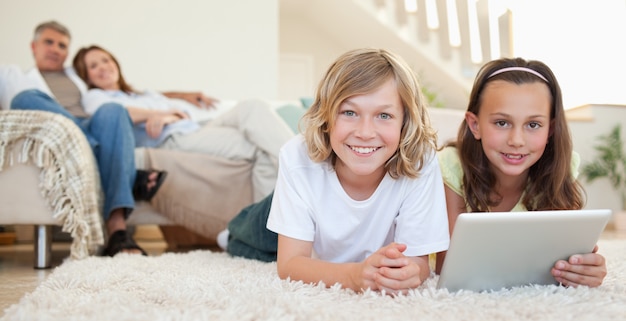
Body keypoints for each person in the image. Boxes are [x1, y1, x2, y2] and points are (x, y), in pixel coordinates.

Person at [229, 48, 450, 295]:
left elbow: (418, 263)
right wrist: (353, 276)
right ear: (326, 116)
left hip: (321, 229)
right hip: (285, 214)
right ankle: (226, 234)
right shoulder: (297, 157)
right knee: (244, 242)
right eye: (349, 112)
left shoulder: (421, 161)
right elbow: (289, 264)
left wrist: (408, 273)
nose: (365, 132)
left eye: (384, 115)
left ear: (405, 122)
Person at [434, 57, 607, 288]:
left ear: (551, 130)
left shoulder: (560, 166)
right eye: (502, 123)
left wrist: (581, 268)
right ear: (475, 125)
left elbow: (564, 255)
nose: (516, 140)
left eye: (533, 125)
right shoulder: (451, 166)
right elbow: (448, 266)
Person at [6, 21, 168, 257]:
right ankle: (107, 160)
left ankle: (117, 230)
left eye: (62, 45)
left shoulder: (78, 74)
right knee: (24, 98)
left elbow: (128, 90)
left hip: (90, 126)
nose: (55, 49)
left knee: (114, 109)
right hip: (58, 130)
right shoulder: (15, 76)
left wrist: (184, 95)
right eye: (48, 42)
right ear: (34, 46)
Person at [72, 45, 295, 201]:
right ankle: (273, 218)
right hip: (173, 140)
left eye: (105, 60)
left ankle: (299, 163)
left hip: (194, 128)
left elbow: (179, 114)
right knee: (259, 149)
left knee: (252, 106)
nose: (102, 67)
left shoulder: (141, 94)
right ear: (87, 76)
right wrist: (159, 114)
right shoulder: (95, 97)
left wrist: (166, 114)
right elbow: (118, 115)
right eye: (93, 66)